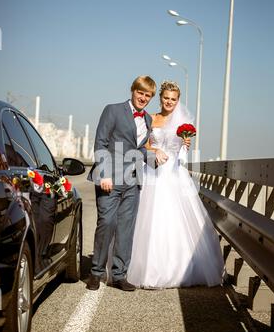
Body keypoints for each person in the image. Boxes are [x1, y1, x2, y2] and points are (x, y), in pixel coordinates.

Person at [127, 80, 225, 288]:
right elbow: (143, 145)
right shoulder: (150, 118)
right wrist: (154, 151)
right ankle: (145, 268)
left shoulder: (183, 121)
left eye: (173, 99)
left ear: (177, 100)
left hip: (174, 174)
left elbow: (182, 153)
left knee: (175, 216)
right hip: (152, 170)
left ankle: (179, 268)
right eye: (166, 98)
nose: (169, 102)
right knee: (147, 217)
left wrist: (185, 145)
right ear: (160, 98)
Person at [86, 75, 161, 291]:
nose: (143, 98)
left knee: (126, 229)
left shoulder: (147, 119)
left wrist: (155, 157)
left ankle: (119, 275)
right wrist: (105, 174)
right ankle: (96, 273)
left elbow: (137, 150)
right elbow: (101, 141)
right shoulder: (113, 110)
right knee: (107, 223)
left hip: (133, 180)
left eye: (148, 95)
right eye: (140, 93)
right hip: (110, 178)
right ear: (133, 90)